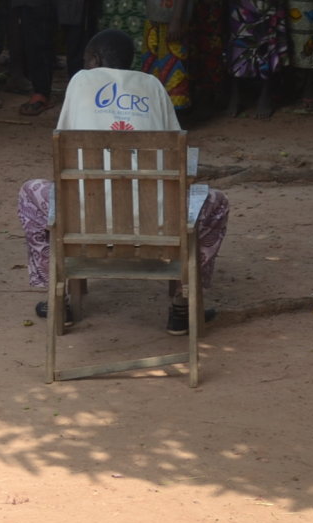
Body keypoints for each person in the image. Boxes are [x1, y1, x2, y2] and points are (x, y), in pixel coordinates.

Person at [16, 29, 230, 333]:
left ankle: (57, 299)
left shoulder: (79, 81)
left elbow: (62, 138)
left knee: (30, 193)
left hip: (82, 223)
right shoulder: (154, 85)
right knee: (216, 203)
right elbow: (176, 155)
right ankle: (183, 303)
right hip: (157, 226)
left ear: (96, 59)